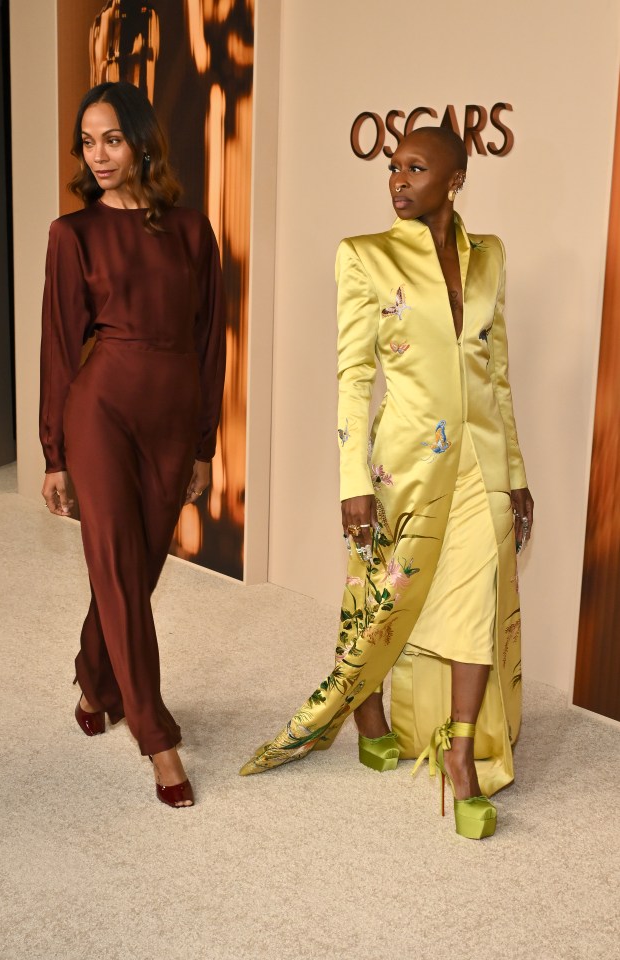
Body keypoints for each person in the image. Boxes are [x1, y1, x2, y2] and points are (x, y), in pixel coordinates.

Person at [240, 127, 533, 840]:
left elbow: (497, 376)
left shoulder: (489, 257)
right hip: (403, 465)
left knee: (475, 605)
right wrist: (351, 482)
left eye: (416, 167)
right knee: (381, 602)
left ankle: (460, 754)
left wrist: (517, 475)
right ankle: (366, 709)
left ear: (456, 178)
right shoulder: (364, 257)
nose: (398, 179)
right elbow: (355, 377)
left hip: (481, 467)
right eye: (392, 167)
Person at [40, 81, 226, 808]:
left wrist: (204, 445)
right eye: (87, 142)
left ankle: (94, 676)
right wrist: (55, 452)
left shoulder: (192, 231)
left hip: (173, 421)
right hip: (102, 414)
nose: (99, 154)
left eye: (110, 138)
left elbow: (209, 344)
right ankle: (157, 738)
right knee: (116, 569)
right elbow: (61, 347)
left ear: (143, 140)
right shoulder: (73, 234)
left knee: (137, 570)